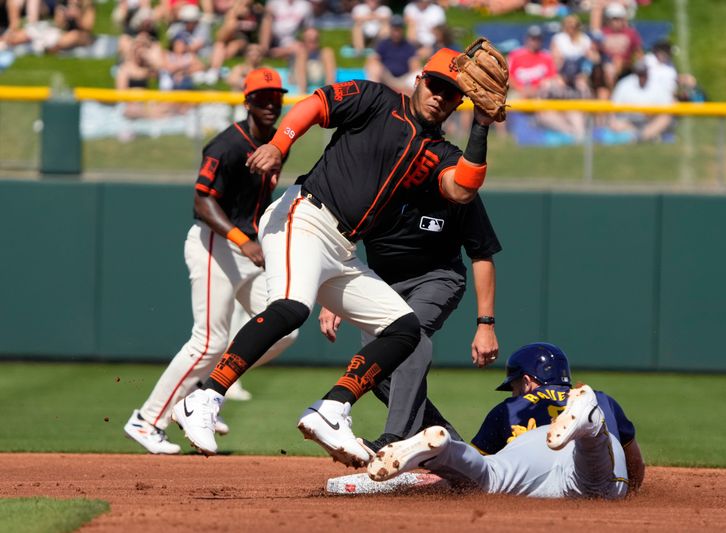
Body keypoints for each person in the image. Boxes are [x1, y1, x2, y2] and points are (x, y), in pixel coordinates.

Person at [172, 47, 499, 467]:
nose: (441, 96)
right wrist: (278, 143)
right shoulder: (377, 99)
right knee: (291, 308)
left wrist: (482, 126)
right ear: (419, 81)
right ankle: (204, 397)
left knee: (404, 330)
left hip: (342, 248)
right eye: (436, 85)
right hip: (304, 216)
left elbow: (462, 189)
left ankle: (331, 409)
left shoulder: (441, 151)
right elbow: (316, 103)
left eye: (453, 94)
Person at [123, 68, 297, 454]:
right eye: (262, 97)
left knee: (284, 328)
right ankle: (147, 420)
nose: (270, 103)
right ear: (247, 101)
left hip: (248, 249)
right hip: (215, 244)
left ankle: (202, 392)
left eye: (275, 96)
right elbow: (201, 202)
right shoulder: (228, 145)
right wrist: (241, 239)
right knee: (209, 341)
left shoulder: (275, 144)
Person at [318, 189, 501, 451]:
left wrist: (486, 324)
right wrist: (333, 297)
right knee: (378, 370)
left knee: (410, 335)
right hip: (380, 283)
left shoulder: (456, 185)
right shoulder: (379, 182)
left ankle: (396, 439)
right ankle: (457, 451)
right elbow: (340, 239)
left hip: (437, 277)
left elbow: (481, 253)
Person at [367, 342, 646, 500]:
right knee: (597, 486)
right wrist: (632, 491)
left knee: (490, 476)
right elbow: (635, 463)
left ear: (526, 382)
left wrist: (437, 474)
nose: (514, 391)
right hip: (583, 453)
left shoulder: (510, 407)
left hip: (529, 449)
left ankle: (443, 449)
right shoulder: (602, 397)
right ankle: (591, 426)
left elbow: (469, 473)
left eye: (513, 385)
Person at [610, 59, 674, 142]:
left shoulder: (657, 84)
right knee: (615, 122)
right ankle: (643, 136)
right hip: (629, 121)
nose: (642, 76)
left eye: (643, 73)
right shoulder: (624, 84)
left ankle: (642, 136)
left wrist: (653, 112)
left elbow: (668, 106)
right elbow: (614, 107)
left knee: (665, 118)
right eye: (639, 73)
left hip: (650, 121)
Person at [364, 14, 420, 95]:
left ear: (402, 30)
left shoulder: (409, 45)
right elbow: (373, 59)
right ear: (390, 29)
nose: (396, 33)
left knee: (418, 74)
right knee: (374, 67)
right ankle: (371, 95)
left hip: (404, 79)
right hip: (387, 78)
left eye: (399, 30)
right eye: (395, 29)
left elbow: (415, 65)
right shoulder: (383, 43)